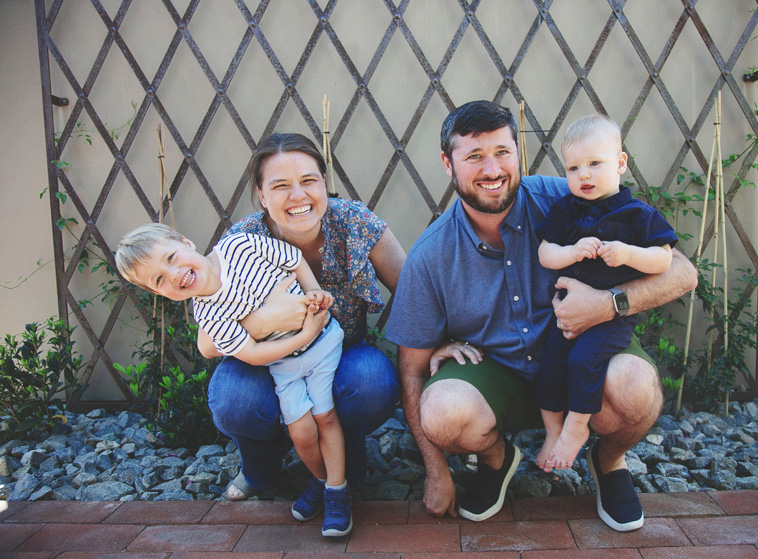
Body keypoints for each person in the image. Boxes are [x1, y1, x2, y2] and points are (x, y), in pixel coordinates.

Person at [386, 101, 697, 531]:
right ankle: (497, 460)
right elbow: (412, 371)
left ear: (520, 154)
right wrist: (436, 471)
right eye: (474, 156)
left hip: (585, 351)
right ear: (447, 163)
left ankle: (608, 461)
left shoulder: (571, 199)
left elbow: (681, 271)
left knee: (636, 387)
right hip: (501, 375)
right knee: (440, 410)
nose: (492, 169)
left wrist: (609, 303)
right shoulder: (430, 256)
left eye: (502, 152)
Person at [196, 133, 404, 504]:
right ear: (261, 195)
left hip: (340, 354)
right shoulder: (243, 239)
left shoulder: (354, 221)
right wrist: (263, 322)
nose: (298, 196)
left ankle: (345, 467)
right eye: (280, 186)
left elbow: (411, 292)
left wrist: (449, 341)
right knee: (234, 399)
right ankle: (262, 468)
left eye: (309, 180)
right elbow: (208, 342)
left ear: (324, 184)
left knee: (372, 382)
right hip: (266, 361)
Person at [116, 223, 352, 537]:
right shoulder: (207, 316)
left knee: (324, 415)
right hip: (284, 364)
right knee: (302, 433)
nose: (173, 274)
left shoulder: (238, 247)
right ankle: (322, 481)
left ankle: (337, 491)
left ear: (186, 241)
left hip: (322, 344)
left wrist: (314, 292)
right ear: (160, 294)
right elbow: (253, 353)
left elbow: (292, 257)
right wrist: (301, 336)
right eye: (160, 279)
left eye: (171, 257)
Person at [534, 113, 678, 475]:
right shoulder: (565, 209)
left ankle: (576, 428)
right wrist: (571, 252)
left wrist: (629, 254)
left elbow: (664, 258)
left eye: (594, 164)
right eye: (572, 168)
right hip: (567, 312)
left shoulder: (637, 214)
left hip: (612, 318)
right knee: (550, 364)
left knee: (585, 361)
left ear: (620, 163)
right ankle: (552, 432)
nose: (583, 175)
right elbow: (546, 251)